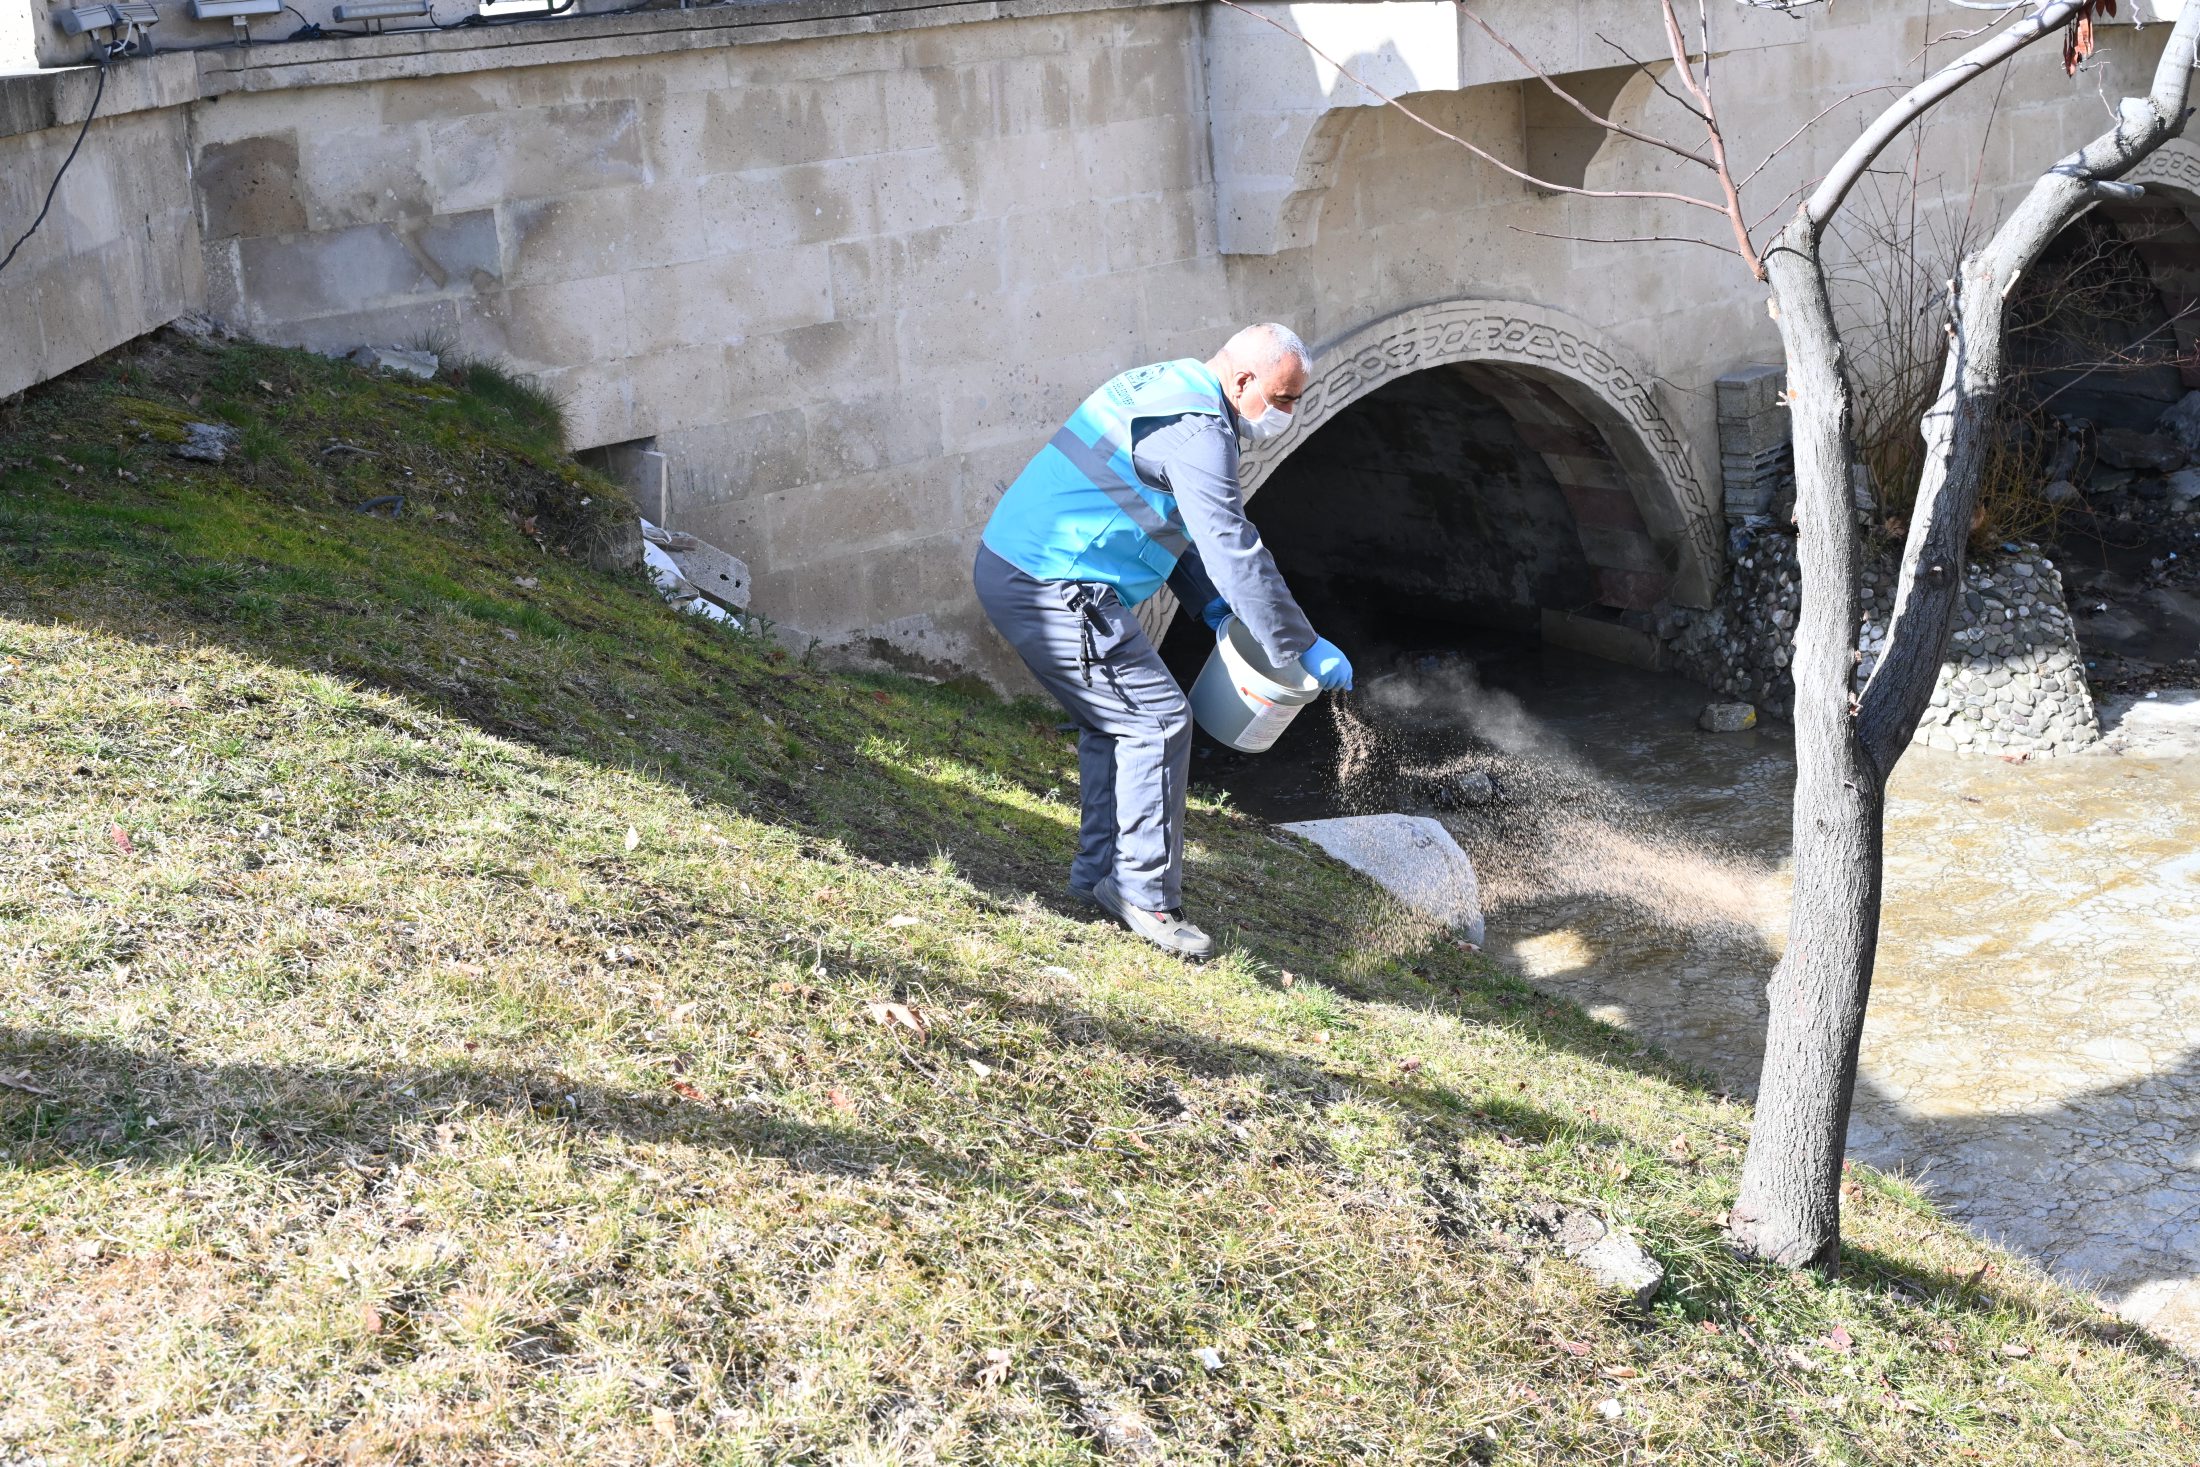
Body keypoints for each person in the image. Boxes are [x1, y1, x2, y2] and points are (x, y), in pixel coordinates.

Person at [973, 323, 1353, 959]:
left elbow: (1166, 520)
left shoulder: (1164, 384)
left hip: (1019, 564)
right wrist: (1298, 644)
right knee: (1157, 722)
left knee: (1116, 723)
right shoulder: (1201, 432)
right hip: (1053, 583)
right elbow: (1230, 542)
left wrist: (1211, 608)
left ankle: (1099, 876)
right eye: (1284, 399)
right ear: (1243, 381)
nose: (1288, 413)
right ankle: (1146, 897)